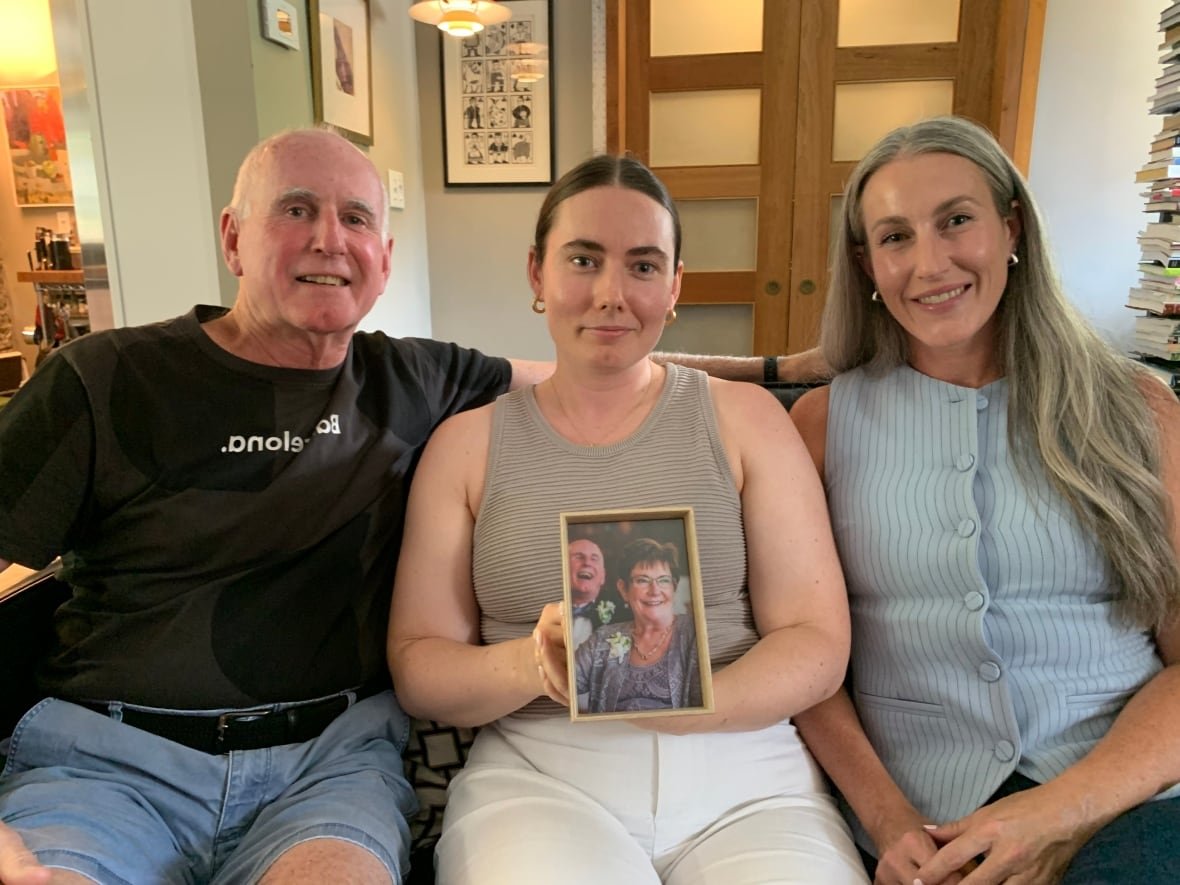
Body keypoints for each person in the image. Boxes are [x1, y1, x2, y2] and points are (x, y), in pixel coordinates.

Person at [0, 127, 552, 885]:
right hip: (106, 769)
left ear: (384, 260)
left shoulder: (413, 378)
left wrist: (772, 372)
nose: (330, 238)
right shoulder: (102, 378)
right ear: (233, 237)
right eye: (296, 209)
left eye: (356, 218)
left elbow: (603, 370)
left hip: (329, 767)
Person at [387, 154, 868, 884]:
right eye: (584, 259)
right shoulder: (467, 445)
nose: (612, 294)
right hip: (541, 773)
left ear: (674, 286)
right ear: (536, 275)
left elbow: (818, 639)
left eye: (643, 266)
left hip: (748, 774)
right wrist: (533, 662)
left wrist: (694, 706)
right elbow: (420, 666)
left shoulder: (746, 420)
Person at [788, 115, 1180, 885]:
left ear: (1011, 228)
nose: (929, 262)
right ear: (866, 262)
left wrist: (1059, 811)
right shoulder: (821, 427)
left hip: (1125, 803)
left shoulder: (1139, 408)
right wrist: (889, 821)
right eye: (895, 236)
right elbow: (806, 664)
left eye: (956, 221)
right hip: (918, 823)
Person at [574, 537, 700, 714]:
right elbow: (562, 681)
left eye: (663, 580)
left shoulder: (695, 632)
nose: (655, 590)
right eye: (642, 580)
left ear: (674, 587)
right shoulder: (603, 638)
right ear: (623, 589)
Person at [566, 535, 619, 646]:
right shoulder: (546, 609)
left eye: (594, 559)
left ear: (603, 576)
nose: (587, 563)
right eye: (579, 557)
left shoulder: (621, 617)